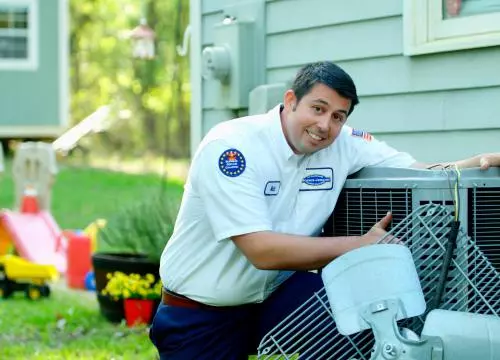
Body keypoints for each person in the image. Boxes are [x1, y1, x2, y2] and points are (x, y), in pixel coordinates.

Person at [149, 61, 500, 360]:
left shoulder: (345, 144)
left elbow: (417, 171)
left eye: (338, 116)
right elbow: (261, 250)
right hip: (202, 310)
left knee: (361, 324)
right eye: (317, 109)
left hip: (276, 294)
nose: (325, 126)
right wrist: (360, 244)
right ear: (290, 101)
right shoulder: (232, 148)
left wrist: (477, 162)